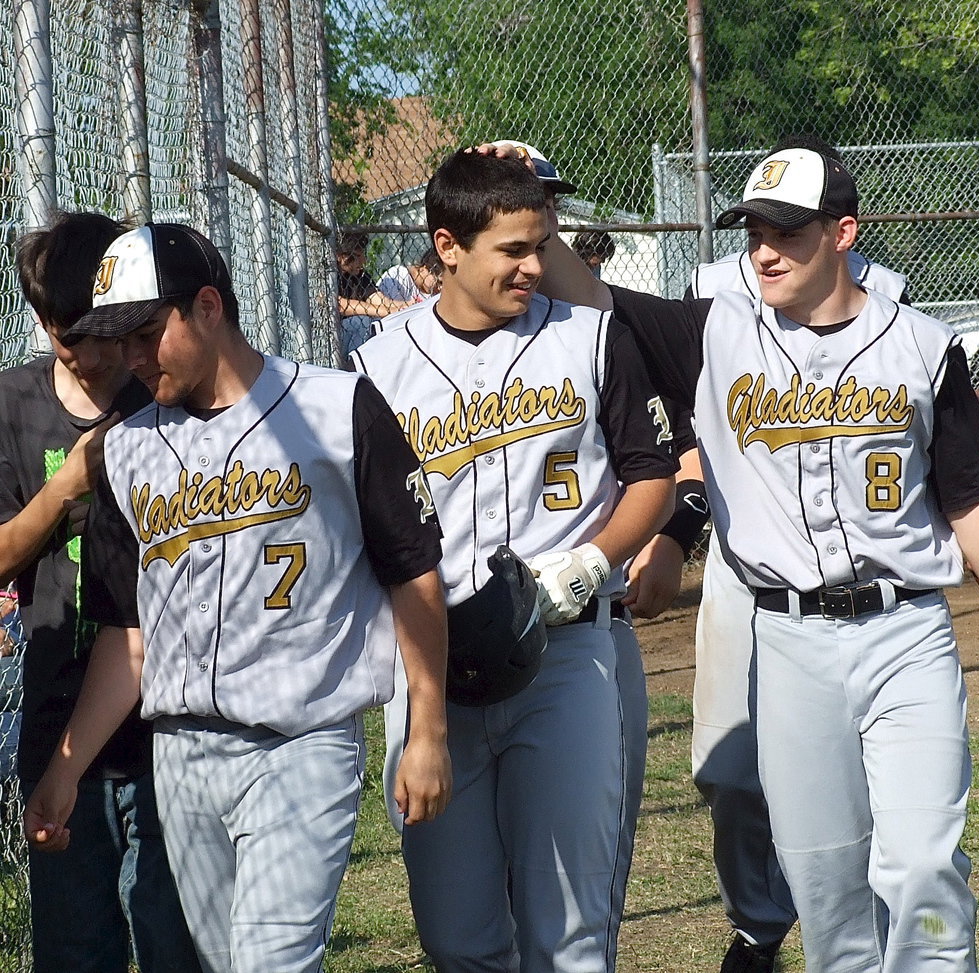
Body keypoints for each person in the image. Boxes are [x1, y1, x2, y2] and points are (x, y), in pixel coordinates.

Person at [540, 144, 979, 972]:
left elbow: (968, 498)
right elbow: (593, 296)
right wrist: (530, 200)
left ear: (844, 232)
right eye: (753, 232)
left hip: (906, 631)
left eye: (788, 230)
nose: (766, 250)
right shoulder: (716, 335)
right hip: (786, 642)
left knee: (922, 861)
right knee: (826, 888)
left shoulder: (921, 346)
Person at [22, 221, 452, 973]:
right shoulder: (125, 450)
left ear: (210, 308)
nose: (128, 356)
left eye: (147, 332)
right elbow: (129, 636)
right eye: (117, 339)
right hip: (181, 755)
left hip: (302, 740)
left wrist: (427, 726)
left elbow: (414, 570)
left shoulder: (337, 409)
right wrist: (67, 766)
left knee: (269, 963)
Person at [350, 149, 676, 972]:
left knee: (567, 929)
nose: (535, 266)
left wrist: (594, 561)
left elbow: (653, 478)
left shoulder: (591, 338)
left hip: (566, 651)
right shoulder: (375, 370)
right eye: (513, 249)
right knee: (457, 935)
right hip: (437, 668)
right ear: (447, 246)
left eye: (540, 244)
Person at [1, 211, 200, 973]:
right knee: (76, 947)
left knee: (171, 940)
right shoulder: (12, 404)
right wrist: (66, 488)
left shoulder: (169, 398)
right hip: (59, 723)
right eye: (64, 334)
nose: (87, 354)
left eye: (101, 331)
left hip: (167, 722)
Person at [336, 230, 420, 356]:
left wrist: (405, 306)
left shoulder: (360, 275)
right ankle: (352, 370)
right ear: (340, 256)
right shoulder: (327, 274)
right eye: (358, 256)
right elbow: (341, 305)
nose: (363, 261)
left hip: (348, 335)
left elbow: (378, 299)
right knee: (362, 321)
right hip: (332, 336)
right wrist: (387, 312)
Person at [377, 245, 443, 305]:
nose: (441, 288)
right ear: (424, 269)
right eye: (439, 282)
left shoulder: (433, 293)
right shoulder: (399, 276)